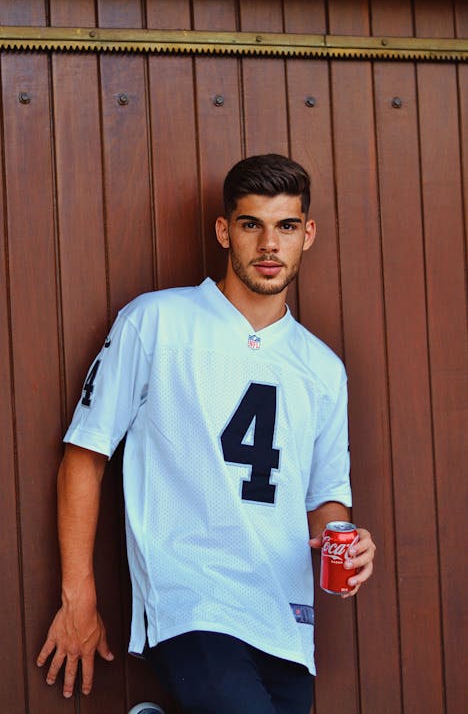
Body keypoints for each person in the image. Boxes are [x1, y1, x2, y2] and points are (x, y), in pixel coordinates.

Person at [37, 154, 375, 713]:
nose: (270, 244)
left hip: (285, 617)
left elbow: (325, 498)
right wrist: (79, 595)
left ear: (307, 234)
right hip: (191, 601)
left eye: (286, 226)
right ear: (225, 231)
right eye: (252, 224)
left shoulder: (322, 368)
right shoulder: (157, 322)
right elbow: (84, 456)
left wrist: (348, 540)